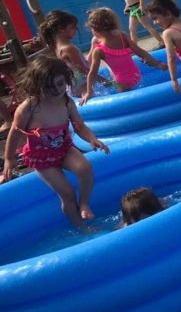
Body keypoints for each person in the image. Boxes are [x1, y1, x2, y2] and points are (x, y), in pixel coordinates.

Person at [1, 56, 109, 225]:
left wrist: (92, 139)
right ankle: (79, 226)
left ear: (66, 79)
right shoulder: (29, 108)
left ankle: (84, 204)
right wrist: (9, 159)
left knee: (85, 168)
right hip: (42, 158)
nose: (57, 90)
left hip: (64, 149)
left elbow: (79, 126)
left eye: (60, 84)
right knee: (68, 195)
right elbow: (14, 134)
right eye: (49, 86)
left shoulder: (66, 102)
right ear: (37, 86)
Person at [81, 7, 166, 101]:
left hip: (122, 83)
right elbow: (141, 52)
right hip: (136, 74)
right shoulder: (123, 37)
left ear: (96, 30)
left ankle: (113, 86)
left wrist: (89, 92)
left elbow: (92, 73)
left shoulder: (99, 50)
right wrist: (157, 64)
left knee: (130, 101)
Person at [39, 11, 95, 97]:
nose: (75, 30)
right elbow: (83, 69)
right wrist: (102, 80)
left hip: (72, 85)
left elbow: (80, 65)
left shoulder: (56, 47)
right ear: (61, 29)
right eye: (72, 27)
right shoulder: (68, 48)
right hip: (82, 84)